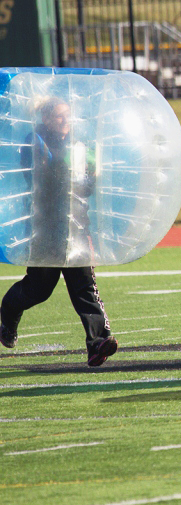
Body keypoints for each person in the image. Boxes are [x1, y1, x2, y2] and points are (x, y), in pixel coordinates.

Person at [0, 97, 117, 367]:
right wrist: (66, 167)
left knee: (85, 289)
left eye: (68, 116)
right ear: (46, 119)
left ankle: (97, 343)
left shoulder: (80, 144)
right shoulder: (34, 141)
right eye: (59, 116)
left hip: (75, 229)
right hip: (46, 231)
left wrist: (90, 170)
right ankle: (8, 314)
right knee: (38, 290)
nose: (65, 121)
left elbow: (87, 185)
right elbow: (39, 177)